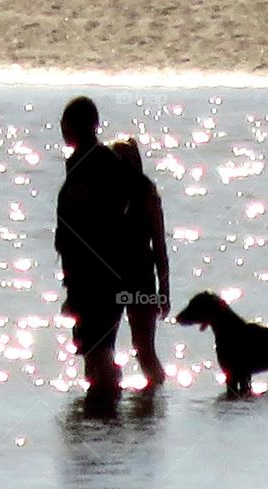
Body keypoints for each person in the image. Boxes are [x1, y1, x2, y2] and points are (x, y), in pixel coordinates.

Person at [54, 97, 130, 396]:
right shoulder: (88, 163)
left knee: (97, 348)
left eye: (66, 123)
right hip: (91, 273)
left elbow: (99, 220)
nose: (62, 129)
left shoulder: (97, 164)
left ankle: (105, 408)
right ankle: (100, 421)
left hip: (98, 274)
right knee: (92, 347)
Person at [110, 137, 170, 387]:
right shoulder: (108, 196)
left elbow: (159, 245)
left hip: (139, 281)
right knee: (109, 348)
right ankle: (147, 400)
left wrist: (164, 291)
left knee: (143, 349)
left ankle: (155, 396)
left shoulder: (147, 196)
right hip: (114, 279)